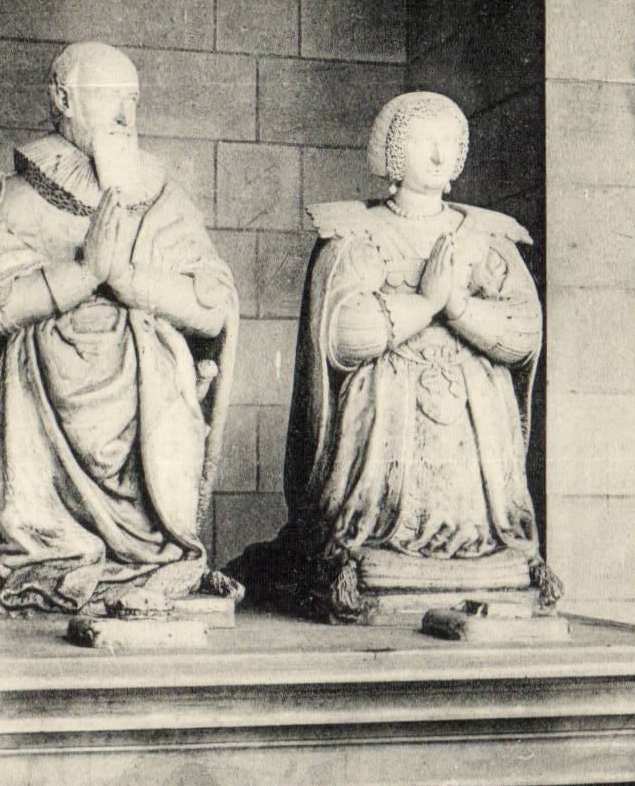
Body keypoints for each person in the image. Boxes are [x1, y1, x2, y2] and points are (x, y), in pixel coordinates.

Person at [0, 41, 238, 617]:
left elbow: (212, 308)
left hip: (145, 398)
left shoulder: (160, 198)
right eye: (109, 101)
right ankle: (49, 554)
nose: (127, 118)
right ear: (63, 99)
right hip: (45, 395)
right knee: (34, 364)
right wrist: (82, 274)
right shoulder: (18, 199)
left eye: (133, 102)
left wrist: (125, 278)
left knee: (164, 376)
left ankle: (149, 553)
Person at [234, 90, 556, 621]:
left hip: (476, 422)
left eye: (450, 144)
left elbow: (523, 329)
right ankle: (376, 542)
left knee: (487, 543)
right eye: (424, 142)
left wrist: (457, 309)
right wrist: (425, 303)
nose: (439, 155)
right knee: (374, 535)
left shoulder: (488, 238)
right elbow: (340, 331)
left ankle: (479, 551)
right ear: (391, 153)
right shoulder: (357, 233)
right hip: (384, 415)